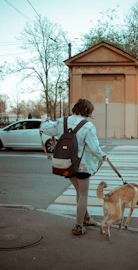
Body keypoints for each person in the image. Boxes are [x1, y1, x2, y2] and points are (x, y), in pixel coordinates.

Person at [40, 98, 107, 235]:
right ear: (87, 111)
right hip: (82, 166)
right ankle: (78, 226)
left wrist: (44, 120)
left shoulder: (62, 121)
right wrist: (103, 156)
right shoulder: (88, 126)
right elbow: (95, 148)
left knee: (79, 193)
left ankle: (86, 219)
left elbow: (46, 130)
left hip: (66, 164)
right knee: (83, 195)